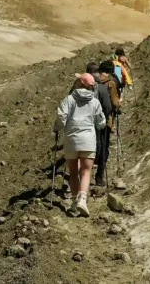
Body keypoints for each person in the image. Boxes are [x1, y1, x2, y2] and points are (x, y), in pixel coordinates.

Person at [53, 73, 105, 216]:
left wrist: (56, 128)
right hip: (88, 140)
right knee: (86, 171)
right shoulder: (94, 102)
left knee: (73, 172)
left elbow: (61, 118)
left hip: (71, 140)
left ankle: (75, 203)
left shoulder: (69, 100)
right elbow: (101, 122)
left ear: (79, 83)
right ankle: (83, 199)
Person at [95, 60, 121, 186]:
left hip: (89, 119)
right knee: (104, 146)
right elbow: (115, 103)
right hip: (105, 119)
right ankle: (99, 177)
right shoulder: (110, 83)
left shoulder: (91, 81)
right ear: (110, 71)